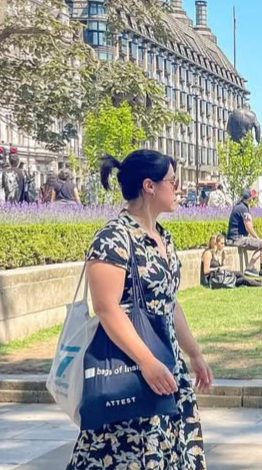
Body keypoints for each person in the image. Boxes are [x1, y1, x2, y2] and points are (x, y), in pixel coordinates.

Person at [67, 150, 211, 470]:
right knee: (125, 455)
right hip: (129, 369)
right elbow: (106, 308)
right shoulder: (112, 238)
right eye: (173, 182)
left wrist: (195, 354)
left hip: (166, 366)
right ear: (150, 186)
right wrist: (147, 362)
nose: (180, 189)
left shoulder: (163, 238)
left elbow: (169, 303)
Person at [227, 189, 262, 276]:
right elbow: (248, 227)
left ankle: (250, 267)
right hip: (237, 238)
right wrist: (257, 238)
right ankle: (258, 269)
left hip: (234, 238)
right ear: (250, 199)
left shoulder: (239, 206)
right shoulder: (243, 208)